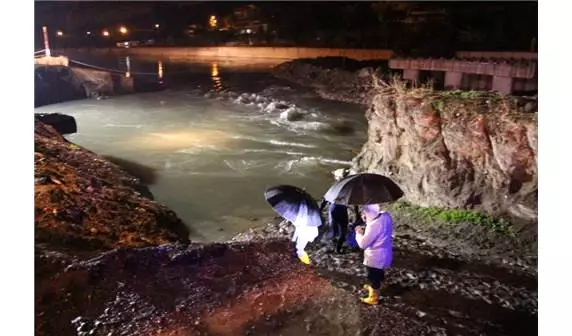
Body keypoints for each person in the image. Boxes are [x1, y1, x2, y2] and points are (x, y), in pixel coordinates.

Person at [355, 203, 393, 305]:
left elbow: (363, 244)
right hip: (386, 252)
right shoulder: (386, 216)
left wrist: (358, 232)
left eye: (365, 213)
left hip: (375, 256)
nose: (364, 215)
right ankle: (377, 287)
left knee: (373, 276)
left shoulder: (373, 225)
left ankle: (373, 297)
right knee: (379, 272)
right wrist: (367, 222)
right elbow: (379, 230)